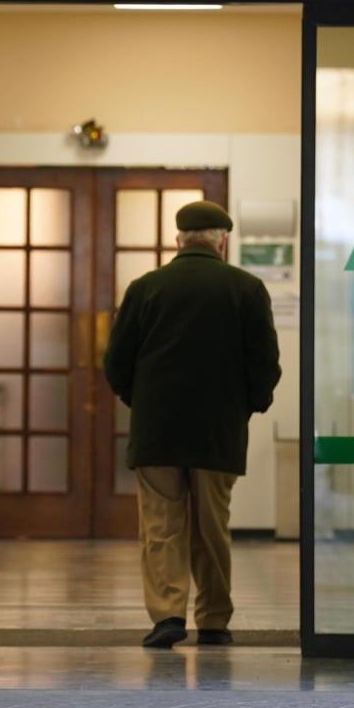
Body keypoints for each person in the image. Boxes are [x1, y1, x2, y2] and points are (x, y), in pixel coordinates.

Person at [104, 201, 281, 649]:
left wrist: (138, 400)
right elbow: (265, 365)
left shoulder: (145, 289)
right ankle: (214, 620)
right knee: (212, 526)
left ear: (178, 240)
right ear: (222, 240)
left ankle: (167, 616)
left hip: (157, 430)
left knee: (161, 525)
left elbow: (115, 364)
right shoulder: (246, 288)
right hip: (217, 432)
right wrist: (247, 406)